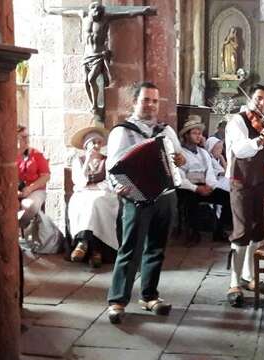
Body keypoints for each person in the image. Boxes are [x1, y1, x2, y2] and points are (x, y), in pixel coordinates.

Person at [105, 82, 185, 324]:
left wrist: (180, 159)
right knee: (130, 248)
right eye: (145, 100)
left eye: (154, 101)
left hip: (165, 196)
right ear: (135, 102)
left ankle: (149, 295)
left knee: (157, 248)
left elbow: (179, 159)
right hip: (137, 197)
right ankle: (118, 300)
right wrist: (117, 186)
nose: (150, 105)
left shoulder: (166, 131)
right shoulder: (122, 131)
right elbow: (112, 168)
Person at [49, 2, 156, 114]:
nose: (96, 13)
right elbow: (65, 11)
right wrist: (51, 9)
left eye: (98, 11)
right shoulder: (83, 15)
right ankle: (93, 105)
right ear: (90, 10)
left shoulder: (105, 18)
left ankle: (96, 105)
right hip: (87, 55)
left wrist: (143, 11)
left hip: (99, 54)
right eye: (94, 10)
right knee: (86, 81)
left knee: (91, 79)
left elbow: (127, 13)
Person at [224, 84, 264, 307]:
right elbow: (240, 149)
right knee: (242, 231)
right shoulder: (238, 120)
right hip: (242, 182)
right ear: (250, 99)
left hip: (263, 182)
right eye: (259, 98)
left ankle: (248, 277)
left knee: (258, 231)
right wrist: (260, 140)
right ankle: (234, 283)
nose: (263, 103)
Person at [67, 126, 119, 268]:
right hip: (84, 193)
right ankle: (88, 246)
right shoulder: (78, 161)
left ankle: (88, 245)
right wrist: (87, 161)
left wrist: (94, 187)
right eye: (93, 142)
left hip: (103, 194)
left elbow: (110, 182)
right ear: (86, 145)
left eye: (99, 142)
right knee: (80, 202)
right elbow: (79, 182)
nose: (96, 145)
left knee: (96, 202)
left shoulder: (107, 161)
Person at [177, 116, 231, 242]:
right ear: (186, 135)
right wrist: (196, 188)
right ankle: (192, 232)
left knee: (228, 197)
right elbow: (179, 177)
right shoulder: (180, 154)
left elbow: (210, 173)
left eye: (199, 133)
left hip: (205, 185)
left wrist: (210, 187)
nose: (198, 136)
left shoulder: (203, 153)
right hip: (187, 188)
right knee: (190, 201)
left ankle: (219, 231)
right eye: (194, 133)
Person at [16, 125, 51, 229]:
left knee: (29, 205)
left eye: (27, 136)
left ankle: (16, 228)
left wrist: (30, 188)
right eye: (22, 137)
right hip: (15, 190)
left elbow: (46, 177)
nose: (27, 140)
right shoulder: (8, 157)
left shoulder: (36, 155)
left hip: (36, 190)